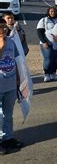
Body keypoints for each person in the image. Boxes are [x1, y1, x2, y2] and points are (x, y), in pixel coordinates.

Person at [0, 22, 24, 154]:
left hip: (10, 84)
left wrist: (18, 77)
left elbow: (14, 60)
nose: (4, 29)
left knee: (8, 114)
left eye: (5, 27)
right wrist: (1, 45)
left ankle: (7, 138)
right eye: (1, 27)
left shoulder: (10, 41)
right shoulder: (4, 42)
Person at [37, 7, 57, 82]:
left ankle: (53, 73)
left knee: (55, 59)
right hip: (47, 43)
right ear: (48, 12)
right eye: (51, 11)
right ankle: (46, 74)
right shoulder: (44, 20)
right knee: (48, 59)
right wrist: (44, 42)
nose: (52, 12)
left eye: (54, 11)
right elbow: (39, 32)